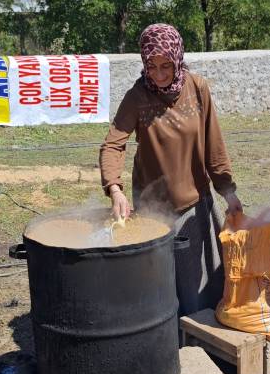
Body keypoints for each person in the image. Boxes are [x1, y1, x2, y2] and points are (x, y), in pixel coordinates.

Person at [99, 23, 243, 316]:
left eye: (167, 66)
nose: (160, 74)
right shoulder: (137, 97)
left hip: (195, 207)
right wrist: (114, 189)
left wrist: (228, 193)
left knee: (199, 287)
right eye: (152, 66)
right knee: (158, 288)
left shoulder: (197, 88)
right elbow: (113, 145)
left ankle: (200, 344)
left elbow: (214, 146)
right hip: (153, 209)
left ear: (178, 59)